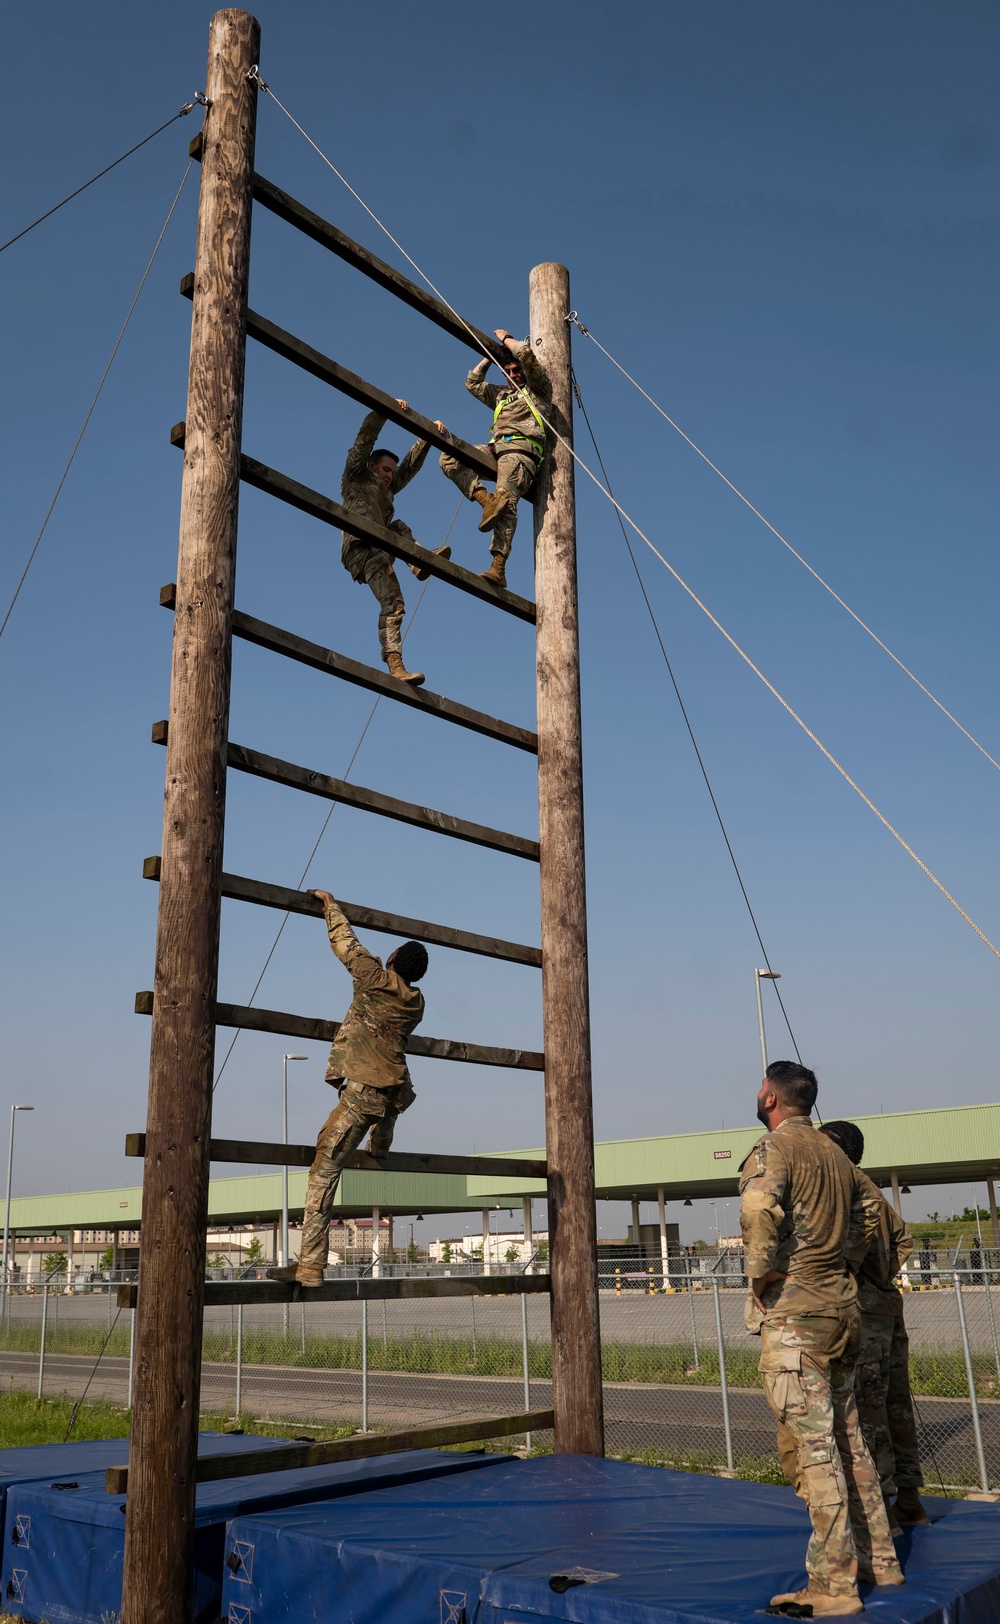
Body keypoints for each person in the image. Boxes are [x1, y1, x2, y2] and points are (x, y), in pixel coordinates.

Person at [740, 1061, 903, 1617]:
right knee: (851, 1438)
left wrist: (762, 1273)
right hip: (842, 1310)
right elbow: (869, 1211)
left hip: (798, 1316)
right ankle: (881, 1558)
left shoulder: (774, 1149)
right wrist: (840, 1263)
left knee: (816, 1452)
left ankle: (835, 1586)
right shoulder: (837, 1154)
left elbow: (759, 1206)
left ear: (769, 1098)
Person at [269, 890, 428, 1289]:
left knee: (323, 1171)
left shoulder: (374, 978)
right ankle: (381, 1146)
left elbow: (346, 943)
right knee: (375, 1129)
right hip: (391, 1094)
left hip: (362, 1094)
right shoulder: (417, 1002)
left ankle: (309, 1266)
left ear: (391, 960)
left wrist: (329, 904)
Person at [819, 1121, 930, 1532]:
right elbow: (904, 1239)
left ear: (836, 1149)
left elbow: (852, 1243)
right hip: (887, 1305)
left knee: (867, 1410)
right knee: (895, 1403)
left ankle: (880, 1507)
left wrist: (852, 1275)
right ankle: (910, 1500)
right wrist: (882, 1277)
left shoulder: (844, 1186)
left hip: (864, 1312)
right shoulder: (874, 1190)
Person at [340, 403, 450, 686]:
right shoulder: (356, 476)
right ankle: (394, 663)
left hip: (381, 545)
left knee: (398, 526)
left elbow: (409, 468)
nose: (389, 475)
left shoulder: (387, 487)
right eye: (385, 469)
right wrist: (385, 409)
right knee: (394, 601)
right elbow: (364, 438)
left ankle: (419, 562)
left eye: (391, 472)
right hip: (361, 548)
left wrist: (428, 434)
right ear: (372, 466)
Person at [439, 328, 552, 590]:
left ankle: (498, 566)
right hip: (495, 450)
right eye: (509, 372)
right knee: (449, 457)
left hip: (520, 452)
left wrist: (505, 341)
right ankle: (484, 500)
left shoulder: (538, 391)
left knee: (507, 500)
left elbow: (525, 354)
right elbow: (473, 383)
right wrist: (490, 356)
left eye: (517, 371)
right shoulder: (502, 395)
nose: (513, 375)